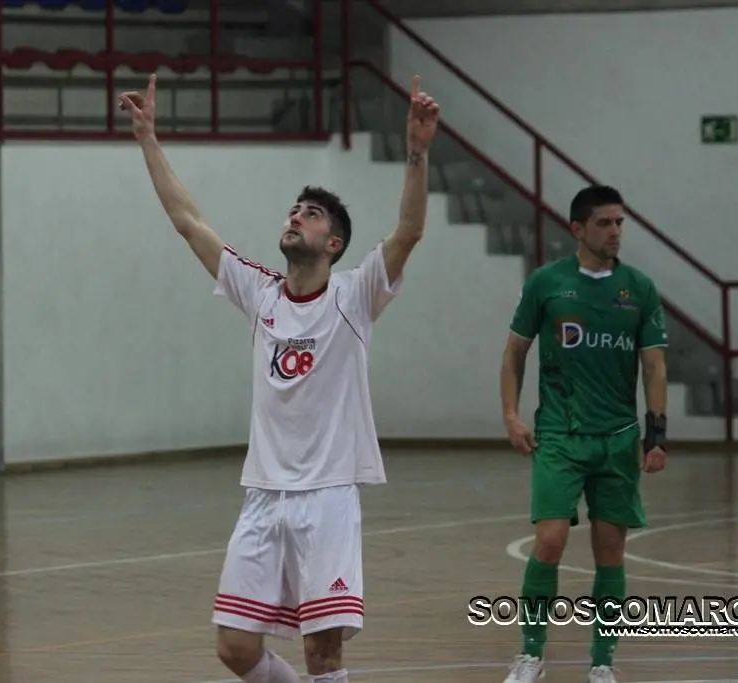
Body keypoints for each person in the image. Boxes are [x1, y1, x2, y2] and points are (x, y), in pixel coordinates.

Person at [119, 73, 439, 683]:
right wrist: (148, 138)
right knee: (235, 649)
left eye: (311, 214)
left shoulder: (355, 296)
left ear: (334, 243)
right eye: (294, 210)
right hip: (263, 496)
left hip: (328, 498)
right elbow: (188, 221)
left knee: (323, 654)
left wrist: (417, 152)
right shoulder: (260, 293)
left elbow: (410, 231)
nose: (295, 217)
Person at [498, 185, 669, 683]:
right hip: (559, 434)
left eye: (619, 223)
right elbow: (514, 353)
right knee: (549, 542)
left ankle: (602, 663)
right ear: (577, 229)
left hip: (618, 438)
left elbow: (654, 366)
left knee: (610, 549)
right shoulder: (547, 283)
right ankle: (531, 654)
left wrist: (656, 434)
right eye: (604, 223)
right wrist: (510, 415)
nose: (615, 232)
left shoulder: (639, 288)